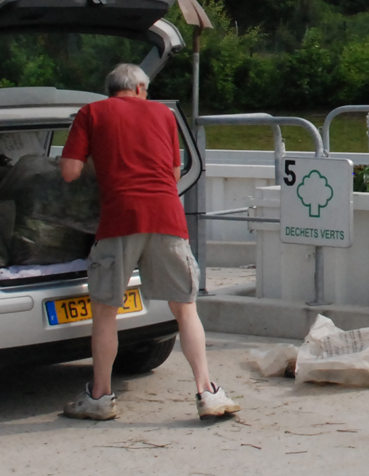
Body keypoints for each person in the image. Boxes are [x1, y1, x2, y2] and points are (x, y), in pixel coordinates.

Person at [56, 63, 239, 421]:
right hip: (167, 218)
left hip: (119, 220)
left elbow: (68, 172)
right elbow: (173, 174)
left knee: (106, 313)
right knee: (185, 308)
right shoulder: (164, 114)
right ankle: (207, 392)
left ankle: (99, 398)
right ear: (140, 88)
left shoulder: (91, 113)